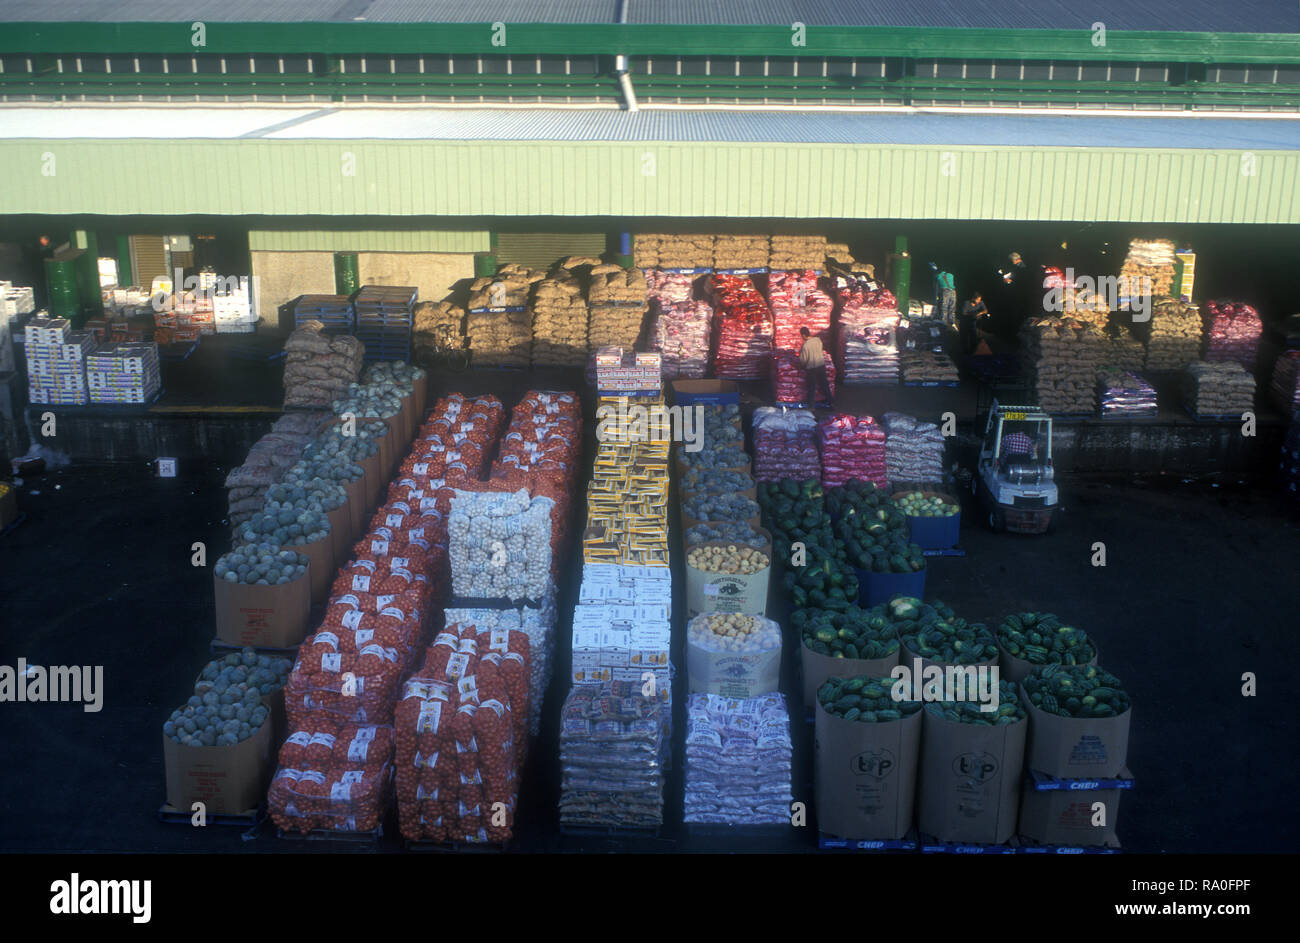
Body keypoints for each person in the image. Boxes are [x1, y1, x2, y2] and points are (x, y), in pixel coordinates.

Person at [798, 326, 832, 407]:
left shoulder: (805, 346)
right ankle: (831, 402)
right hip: (821, 365)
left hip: (811, 368)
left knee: (811, 388)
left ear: (803, 335)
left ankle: (811, 406)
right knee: (824, 385)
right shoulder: (818, 340)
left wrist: (801, 366)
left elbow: (803, 360)